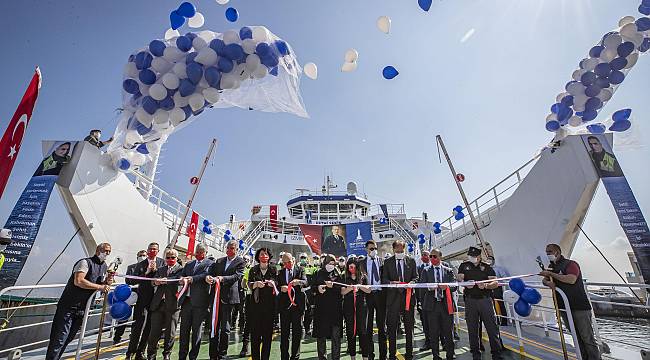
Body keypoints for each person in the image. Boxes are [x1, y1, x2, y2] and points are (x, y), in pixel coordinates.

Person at [45, 243, 113, 360]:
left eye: (109, 252)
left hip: (83, 309)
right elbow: (79, 281)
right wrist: (100, 287)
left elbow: (99, 284)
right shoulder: (85, 263)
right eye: (105, 251)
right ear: (98, 250)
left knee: (69, 338)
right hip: (68, 307)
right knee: (59, 339)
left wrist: (107, 282)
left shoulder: (104, 266)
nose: (107, 254)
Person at [540, 244, 601, 360]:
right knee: (576, 337)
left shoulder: (571, 264)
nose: (548, 254)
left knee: (587, 338)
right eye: (546, 252)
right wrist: (548, 282)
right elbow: (545, 280)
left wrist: (551, 275)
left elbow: (571, 279)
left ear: (557, 252)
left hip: (579, 307)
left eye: (550, 251)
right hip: (563, 307)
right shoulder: (551, 266)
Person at [457, 246, 502, 360]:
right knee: (472, 327)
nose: (471, 258)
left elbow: (495, 282)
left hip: (485, 299)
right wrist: (465, 283)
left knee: (491, 327)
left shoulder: (486, 267)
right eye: (470, 256)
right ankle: (475, 352)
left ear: (478, 257)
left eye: (473, 256)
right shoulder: (464, 266)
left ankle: (496, 353)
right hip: (470, 300)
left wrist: (486, 285)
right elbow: (459, 278)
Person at [206, 240, 245, 360]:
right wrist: (209, 277)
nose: (229, 250)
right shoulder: (219, 261)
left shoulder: (240, 262)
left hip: (229, 299)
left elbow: (237, 276)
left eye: (232, 248)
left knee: (225, 328)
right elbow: (211, 273)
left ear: (237, 250)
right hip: (216, 298)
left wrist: (222, 279)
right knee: (214, 326)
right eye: (228, 247)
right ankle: (213, 355)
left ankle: (222, 354)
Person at [127, 242, 166, 360]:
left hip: (156, 300)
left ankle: (140, 352)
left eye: (155, 249)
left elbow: (165, 276)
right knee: (137, 326)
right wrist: (147, 273)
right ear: (147, 250)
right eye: (151, 249)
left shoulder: (162, 262)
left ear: (158, 251)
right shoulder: (141, 264)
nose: (152, 251)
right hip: (142, 299)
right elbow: (131, 281)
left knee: (149, 327)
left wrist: (156, 271)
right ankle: (130, 352)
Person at [382, 240, 418, 360]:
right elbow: (384, 280)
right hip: (393, 299)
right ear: (393, 250)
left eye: (402, 250)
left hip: (408, 298)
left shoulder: (411, 261)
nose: (400, 252)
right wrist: (392, 283)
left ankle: (409, 354)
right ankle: (392, 355)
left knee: (409, 327)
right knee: (392, 328)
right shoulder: (387, 262)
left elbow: (416, 277)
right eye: (397, 250)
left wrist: (411, 283)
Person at [178, 244, 214, 360]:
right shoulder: (189, 264)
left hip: (200, 303)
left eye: (200, 252)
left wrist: (192, 279)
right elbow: (182, 276)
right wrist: (181, 279)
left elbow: (205, 275)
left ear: (205, 253)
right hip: (186, 302)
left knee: (196, 331)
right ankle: (182, 356)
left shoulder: (210, 264)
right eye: (197, 251)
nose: (197, 254)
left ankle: (193, 356)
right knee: (184, 331)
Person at [419, 249, 456, 360]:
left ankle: (450, 353)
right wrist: (430, 288)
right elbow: (421, 287)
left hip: (446, 305)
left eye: (434, 256)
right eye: (430, 256)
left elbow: (455, 286)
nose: (432, 258)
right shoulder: (425, 271)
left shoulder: (448, 271)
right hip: (432, 305)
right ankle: (436, 355)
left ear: (440, 256)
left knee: (449, 331)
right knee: (433, 332)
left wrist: (447, 287)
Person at [147, 248, 183, 360]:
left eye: (173, 257)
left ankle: (167, 354)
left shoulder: (181, 270)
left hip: (173, 305)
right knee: (154, 331)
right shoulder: (161, 269)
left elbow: (179, 280)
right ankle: (151, 354)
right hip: (158, 304)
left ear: (177, 258)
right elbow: (153, 281)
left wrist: (166, 280)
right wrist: (155, 281)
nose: (170, 259)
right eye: (168, 257)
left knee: (170, 332)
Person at [358, 240, 387, 360]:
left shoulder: (382, 261)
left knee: (382, 326)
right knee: (368, 327)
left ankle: (383, 355)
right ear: (366, 249)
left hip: (380, 295)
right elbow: (359, 280)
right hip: (368, 296)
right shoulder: (361, 263)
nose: (373, 251)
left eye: (375, 248)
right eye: (371, 249)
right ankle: (370, 354)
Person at [247, 248, 278, 360]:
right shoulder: (253, 269)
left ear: (269, 256)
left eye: (266, 254)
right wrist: (255, 284)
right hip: (255, 307)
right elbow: (249, 284)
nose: (264, 256)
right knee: (255, 335)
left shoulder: (274, 269)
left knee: (267, 336)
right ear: (258, 257)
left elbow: (278, 284)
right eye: (261, 254)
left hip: (269, 307)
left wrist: (273, 284)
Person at [276, 253, 307, 360]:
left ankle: (295, 356)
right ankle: (284, 356)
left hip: (297, 307)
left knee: (297, 333)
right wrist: (281, 288)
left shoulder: (300, 270)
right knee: (284, 334)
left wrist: (298, 282)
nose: (287, 264)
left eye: (289, 262)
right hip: (284, 307)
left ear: (293, 260)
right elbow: (276, 285)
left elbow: (306, 282)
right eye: (285, 263)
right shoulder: (280, 273)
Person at [313, 254, 343, 360]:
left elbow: (342, 289)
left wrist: (333, 286)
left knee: (336, 336)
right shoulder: (318, 273)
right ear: (325, 262)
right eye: (329, 263)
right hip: (321, 309)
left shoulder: (338, 273)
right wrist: (318, 288)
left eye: (333, 263)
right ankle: (322, 357)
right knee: (321, 336)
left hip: (335, 309)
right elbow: (312, 286)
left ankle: (336, 357)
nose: (331, 265)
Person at [114, 250, 147, 345]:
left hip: (142, 295)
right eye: (140, 255)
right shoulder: (131, 267)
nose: (142, 257)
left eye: (144, 255)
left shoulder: (148, 267)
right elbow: (128, 280)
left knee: (138, 316)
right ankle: (117, 336)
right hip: (131, 294)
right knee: (124, 314)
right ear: (137, 257)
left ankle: (133, 335)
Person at [341, 258, 371, 360]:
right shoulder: (344, 277)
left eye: (353, 267)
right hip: (348, 307)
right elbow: (342, 292)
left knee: (363, 331)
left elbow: (369, 290)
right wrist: (349, 288)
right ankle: (352, 356)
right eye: (350, 267)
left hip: (361, 307)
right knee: (351, 332)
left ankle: (365, 356)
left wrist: (360, 286)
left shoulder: (363, 277)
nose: (352, 269)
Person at [416, 250, 432, 352]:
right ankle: (428, 342)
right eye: (422, 255)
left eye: (425, 255)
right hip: (424, 301)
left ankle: (443, 343)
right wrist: (419, 301)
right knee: (425, 323)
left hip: (436, 301)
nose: (423, 257)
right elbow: (418, 287)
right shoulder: (418, 269)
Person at [239, 255, 253, 357]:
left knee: (248, 324)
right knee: (251, 324)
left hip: (251, 298)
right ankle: (246, 347)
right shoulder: (251, 270)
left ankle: (245, 347)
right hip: (252, 299)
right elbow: (243, 284)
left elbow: (243, 285)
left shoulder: (249, 271)